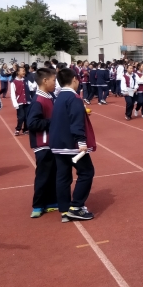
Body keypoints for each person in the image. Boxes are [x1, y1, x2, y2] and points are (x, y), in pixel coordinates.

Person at [50, 68, 96, 222]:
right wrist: (81, 142)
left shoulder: (59, 96)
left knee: (63, 176)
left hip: (57, 143)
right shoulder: (74, 98)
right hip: (71, 144)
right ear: (75, 79)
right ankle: (76, 206)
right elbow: (76, 122)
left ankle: (64, 209)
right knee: (86, 172)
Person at [27, 67, 58, 218]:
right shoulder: (38, 100)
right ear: (45, 81)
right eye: (53, 80)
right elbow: (32, 123)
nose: (55, 83)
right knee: (43, 175)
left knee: (53, 173)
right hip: (43, 144)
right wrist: (53, 121)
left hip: (51, 143)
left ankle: (51, 202)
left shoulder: (48, 96)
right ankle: (38, 205)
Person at [11, 66, 30, 136]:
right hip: (20, 102)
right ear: (18, 72)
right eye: (22, 71)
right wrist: (15, 104)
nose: (24, 72)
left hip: (28, 101)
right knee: (21, 116)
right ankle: (18, 128)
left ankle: (25, 129)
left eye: (24, 71)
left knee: (27, 116)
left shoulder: (26, 80)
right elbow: (13, 94)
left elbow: (32, 88)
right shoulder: (14, 82)